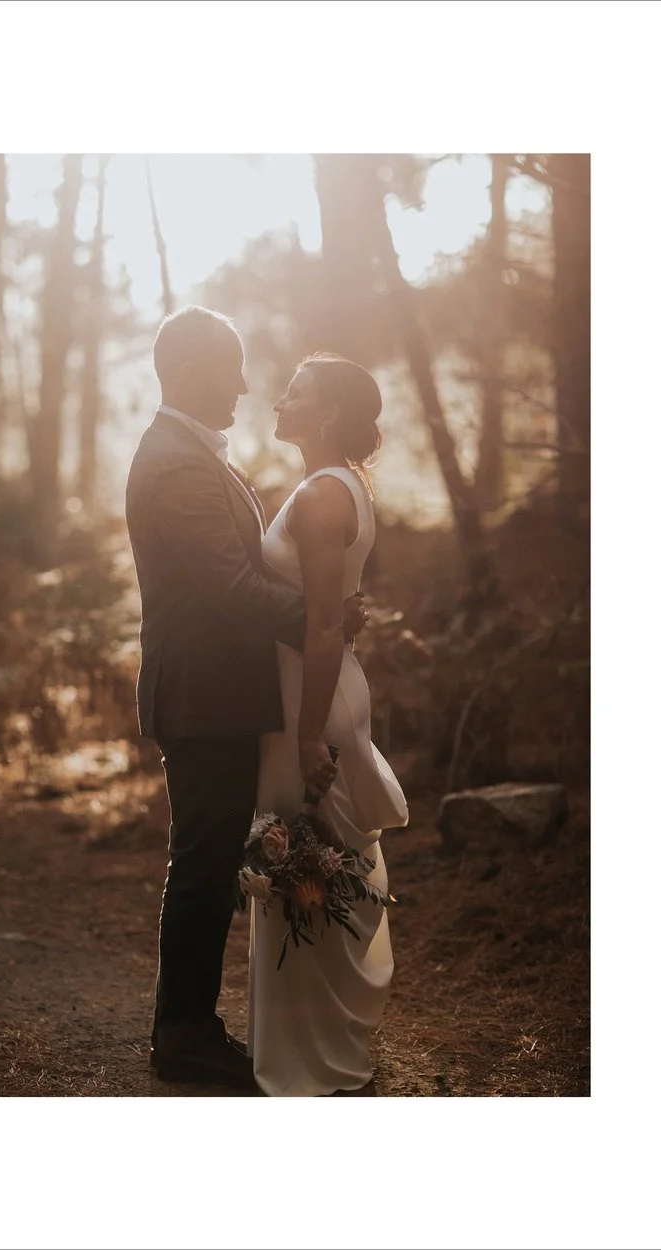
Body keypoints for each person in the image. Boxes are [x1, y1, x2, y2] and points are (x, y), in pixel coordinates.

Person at [121, 306, 367, 1090]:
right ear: (193, 371)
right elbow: (229, 587)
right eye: (231, 366)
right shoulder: (176, 463)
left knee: (208, 858)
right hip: (203, 696)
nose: (244, 383)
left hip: (219, 693)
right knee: (201, 864)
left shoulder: (193, 456)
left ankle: (189, 1024)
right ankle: (183, 1034)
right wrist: (318, 620)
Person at [244, 352, 409, 1096]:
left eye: (296, 392)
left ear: (330, 414)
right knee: (305, 858)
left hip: (311, 700)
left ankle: (321, 1060)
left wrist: (309, 735)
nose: (279, 399)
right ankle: (314, 1050)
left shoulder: (322, 496)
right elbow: (335, 611)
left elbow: (319, 625)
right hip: (311, 689)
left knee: (311, 857)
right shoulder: (334, 487)